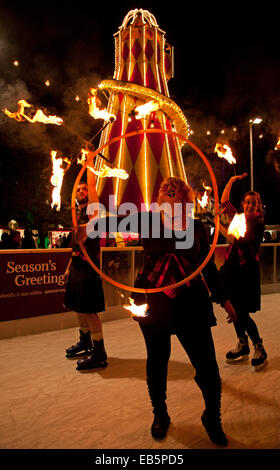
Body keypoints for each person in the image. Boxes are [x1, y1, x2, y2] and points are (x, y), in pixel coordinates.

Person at [78, 176, 237, 446]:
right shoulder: (147, 220)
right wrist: (89, 226)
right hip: (154, 303)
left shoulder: (197, 227)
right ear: (159, 199)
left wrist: (225, 301)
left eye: (175, 189)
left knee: (208, 367)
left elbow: (207, 267)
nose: (169, 189)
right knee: (157, 361)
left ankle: (212, 416)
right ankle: (160, 414)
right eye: (165, 189)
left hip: (191, 304)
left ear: (186, 199)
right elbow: (111, 222)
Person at [219, 173, 267, 371]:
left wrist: (220, 226)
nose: (249, 206)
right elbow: (223, 202)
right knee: (234, 310)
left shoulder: (258, 224)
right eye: (247, 202)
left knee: (242, 313)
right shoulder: (237, 216)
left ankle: (258, 346)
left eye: (253, 203)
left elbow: (236, 239)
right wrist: (230, 181)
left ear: (257, 206)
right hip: (231, 271)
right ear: (243, 203)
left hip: (246, 274)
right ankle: (242, 343)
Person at [64, 178, 108, 371]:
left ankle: (100, 353)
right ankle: (85, 342)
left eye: (84, 188)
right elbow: (76, 246)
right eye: (78, 189)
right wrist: (68, 268)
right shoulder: (79, 214)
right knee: (79, 308)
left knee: (90, 311)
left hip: (89, 268)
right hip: (77, 267)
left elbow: (92, 188)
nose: (81, 191)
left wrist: (90, 164)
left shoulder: (93, 211)